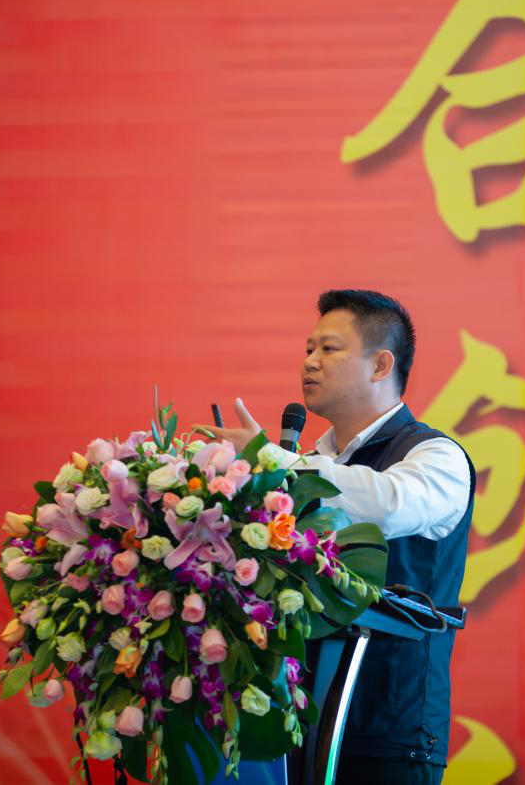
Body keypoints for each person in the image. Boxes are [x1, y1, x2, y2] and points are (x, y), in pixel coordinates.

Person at [200, 289, 476, 785]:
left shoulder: (436, 456)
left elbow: (389, 505)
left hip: (390, 733)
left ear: (380, 365)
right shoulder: (309, 462)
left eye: (329, 348)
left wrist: (273, 462)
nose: (310, 361)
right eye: (309, 349)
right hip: (293, 731)